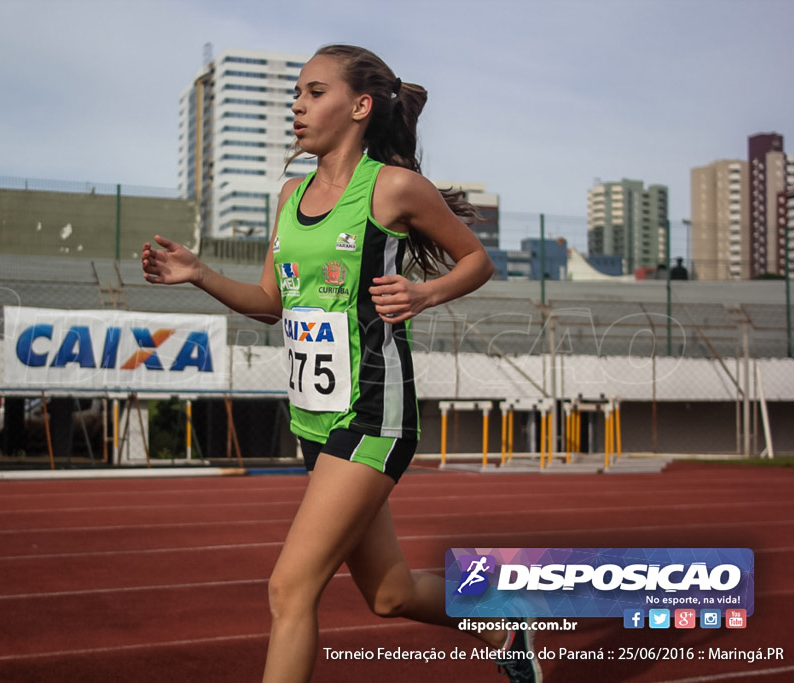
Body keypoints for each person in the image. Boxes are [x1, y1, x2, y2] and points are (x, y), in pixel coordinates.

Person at [143, 44, 541, 683]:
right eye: (295, 95)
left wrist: (421, 293)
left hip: (372, 411)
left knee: (289, 590)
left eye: (314, 92)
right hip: (314, 419)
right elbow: (271, 303)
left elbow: (477, 260)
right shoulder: (289, 196)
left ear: (359, 106)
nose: (298, 106)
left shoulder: (393, 188)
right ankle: (500, 615)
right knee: (389, 595)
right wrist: (199, 274)